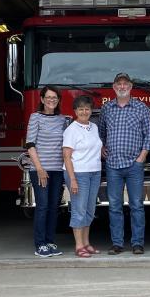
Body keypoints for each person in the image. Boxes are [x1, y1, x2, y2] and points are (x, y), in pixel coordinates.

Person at [98, 71, 150, 255]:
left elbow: (149, 135)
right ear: (114, 87)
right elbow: (101, 132)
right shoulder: (106, 108)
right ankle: (117, 243)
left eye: (125, 84)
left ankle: (137, 243)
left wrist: (142, 157)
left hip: (134, 165)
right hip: (112, 164)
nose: (122, 87)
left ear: (130, 87)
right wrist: (101, 147)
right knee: (114, 206)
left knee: (137, 205)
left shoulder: (141, 107)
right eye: (118, 84)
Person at [24, 85, 69, 257]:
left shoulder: (62, 119)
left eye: (55, 97)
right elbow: (30, 145)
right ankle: (40, 244)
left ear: (58, 100)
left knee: (53, 207)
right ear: (42, 99)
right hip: (40, 169)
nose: (51, 100)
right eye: (48, 97)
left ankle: (50, 242)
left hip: (57, 169)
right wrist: (40, 169)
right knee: (42, 206)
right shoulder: (35, 117)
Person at [62, 94, 103, 258]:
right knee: (79, 210)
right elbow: (66, 156)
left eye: (87, 109)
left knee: (89, 210)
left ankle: (86, 243)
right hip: (78, 173)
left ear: (91, 110)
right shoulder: (71, 130)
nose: (84, 112)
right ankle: (79, 246)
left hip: (95, 172)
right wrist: (72, 179)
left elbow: (96, 145)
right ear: (75, 111)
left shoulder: (94, 127)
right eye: (81, 109)